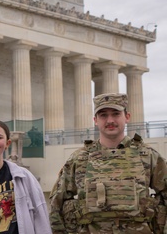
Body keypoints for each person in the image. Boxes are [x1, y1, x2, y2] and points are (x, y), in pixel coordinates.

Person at [49, 93, 167, 234]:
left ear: (127, 117)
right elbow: (56, 203)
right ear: (95, 120)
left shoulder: (148, 156)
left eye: (116, 114)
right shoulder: (79, 159)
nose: (110, 120)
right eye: (103, 115)